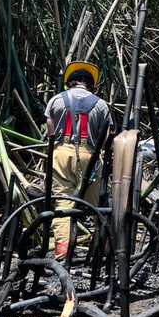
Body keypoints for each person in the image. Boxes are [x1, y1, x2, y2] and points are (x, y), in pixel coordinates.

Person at [45, 61, 112, 259]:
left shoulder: (56, 100)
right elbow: (107, 135)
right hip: (89, 155)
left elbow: (50, 129)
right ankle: (101, 247)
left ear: (70, 82)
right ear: (90, 84)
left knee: (64, 202)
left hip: (61, 153)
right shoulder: (100, 104)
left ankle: (63, 250)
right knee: (95, 203)